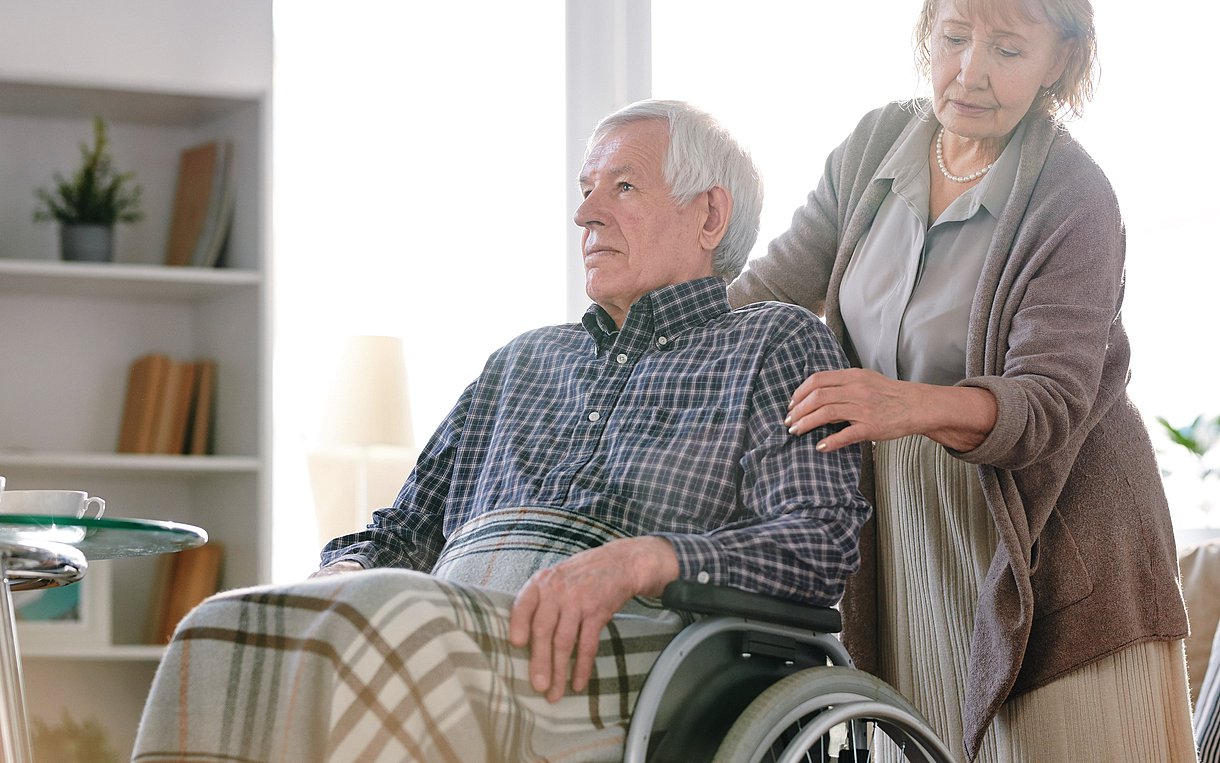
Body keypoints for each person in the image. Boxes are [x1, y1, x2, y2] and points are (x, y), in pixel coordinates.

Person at [132, 99, 872, 763]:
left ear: (709, 215)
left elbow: (817, 542)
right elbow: (401, 532)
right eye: (585, 191)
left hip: (645, 652)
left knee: (400, 631)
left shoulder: (775, 343)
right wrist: (341, 578)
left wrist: (643, 560)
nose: (585, 216)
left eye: (621, 187)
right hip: (455, 622)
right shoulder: (521, 361)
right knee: (223, 625)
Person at [727, 0, 1196, 761]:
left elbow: (1047, 403)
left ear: (1061, 63)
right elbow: (770, 290)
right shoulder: (874, 146)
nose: (969, 70)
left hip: (1050, 539)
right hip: (911, 537)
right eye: (953, 37)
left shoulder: (1075, 195)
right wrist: (659, 330)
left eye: (1008, 50)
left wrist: (902, 403)